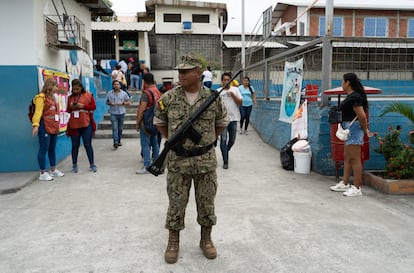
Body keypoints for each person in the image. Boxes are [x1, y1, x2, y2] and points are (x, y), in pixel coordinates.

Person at [154, 55, 228, 264]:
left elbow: (221, 122)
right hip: (178, 161)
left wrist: (208, 139)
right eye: (180, 71)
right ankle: (173, 242)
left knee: (206, 203)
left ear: (199, 72)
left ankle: (206, 240)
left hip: (205, 161)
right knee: (176, 204)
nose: (181, 75)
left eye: (186, 71)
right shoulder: (169, 98)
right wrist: (172, 140)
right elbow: (159, 121)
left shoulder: (212, 98)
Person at [330, 72, 372, 197]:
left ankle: (357, 187)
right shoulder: (351, 96)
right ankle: (345, 182)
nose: (341, 84)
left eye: (342, 82)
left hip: (354, 129)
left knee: (355, 158)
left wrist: (365, 130)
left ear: (348, 82)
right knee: (347, 157)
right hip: (349, 128)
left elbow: (362, 116)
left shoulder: (355, 97)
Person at [31, 78, 65, 181]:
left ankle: (53, 170)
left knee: (52, 148)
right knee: (43, 148)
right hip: (44, 126)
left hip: (53, 126)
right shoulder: (41, 98)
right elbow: (38, 112)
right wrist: (36, 125)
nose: (57, 88)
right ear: (50, 86)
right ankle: (42, 172)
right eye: (55, 86)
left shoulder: (53, 98)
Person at [66, 79, 97, 173]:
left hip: (86, 123)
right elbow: (68, 110)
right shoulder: (70, 97)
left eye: (77, 89)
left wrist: (82, 106)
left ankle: (92, 164)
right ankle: (74, 165)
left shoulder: (88, 95)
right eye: (74, 89)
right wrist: (71, 106)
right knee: (75, 145)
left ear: (81, 87)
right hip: (74, 124)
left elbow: (93, 107)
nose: (75, 91)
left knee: (88, 145)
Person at [135, 72, 161, 174]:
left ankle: (146, 165)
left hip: (146, 123)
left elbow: (142, 110)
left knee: (145, 144)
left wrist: (137, 123)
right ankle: (157, 163)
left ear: (144, 81)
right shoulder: (157, 91)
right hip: (155, 121)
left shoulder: (146, 94)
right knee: (154, 142)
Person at [219, 72, 243, 169]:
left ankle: (225, 152)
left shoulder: (235, 90)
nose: (226, 81)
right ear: (221, 81)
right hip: (222, 120)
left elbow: (240, 103)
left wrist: (233, 95)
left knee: (232, 141)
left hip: (233, 119)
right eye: (224, 79)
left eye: (228, 79)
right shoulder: (218, 91)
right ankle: (225, 160)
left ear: (231, 81)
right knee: (223, 140)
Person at [106, 80, 131, 149]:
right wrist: (110, 103)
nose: (116, 85)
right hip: (113, 113)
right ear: (113, 85)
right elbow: (107, 102)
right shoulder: (109, 93)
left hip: (121, 113)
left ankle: (119, 140)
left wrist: (122, 103)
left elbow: (129, 102)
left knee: (120, 128)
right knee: (114, 128)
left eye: (118, 84)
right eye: (115, 84)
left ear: (120, 86)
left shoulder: (124, 93)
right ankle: (115, 142)